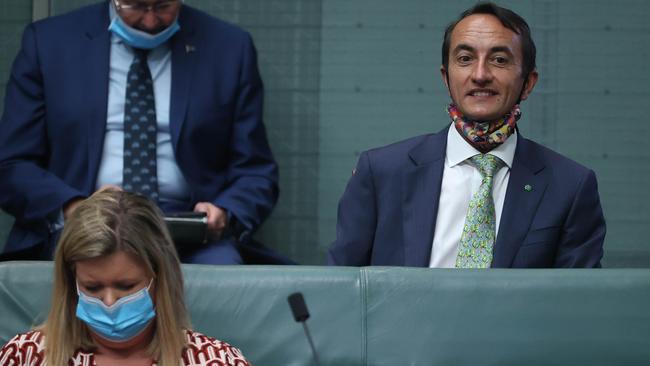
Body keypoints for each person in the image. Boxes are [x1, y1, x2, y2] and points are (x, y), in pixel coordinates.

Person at [0, 0, 279, 264]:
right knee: (82, 278)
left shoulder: (229, 48)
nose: (150, 19)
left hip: (188, 230)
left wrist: (225, 213)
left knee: (223, 282)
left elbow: (256, 172)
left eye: (163, 6)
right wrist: (73, 207)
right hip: (85, 220)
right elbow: (12, 165)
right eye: (134, 6)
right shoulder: (49, 43)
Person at [328, 2, 606, 268]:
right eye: (465, 59)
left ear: (528, 83)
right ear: (445, 77)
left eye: (499, 60)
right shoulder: (381, 173)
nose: (480, 74)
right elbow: (341, 289)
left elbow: (577, 306)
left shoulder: (570, 187)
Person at [0, 190, 251, 365]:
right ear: (71, 282)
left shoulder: (215, 361)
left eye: (126, 286)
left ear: (160, 279)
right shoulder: (27, 356)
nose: (109, 302)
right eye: (92, 287)